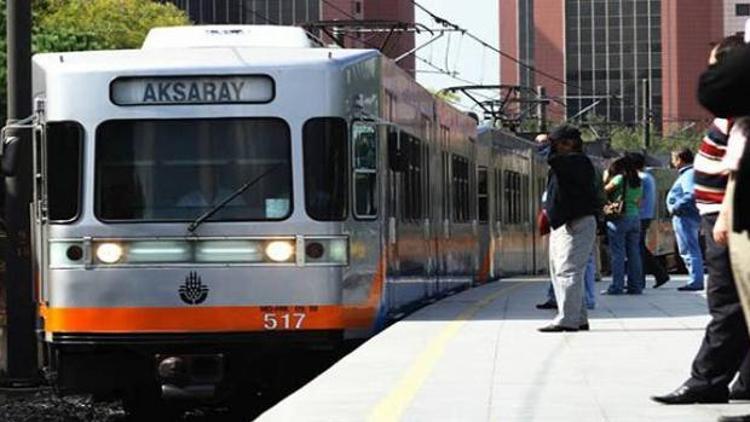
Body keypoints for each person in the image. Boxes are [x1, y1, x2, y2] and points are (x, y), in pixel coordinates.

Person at [653, 36, 750, 407]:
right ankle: (744, 381)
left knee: (727, 303)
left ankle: (707, 380)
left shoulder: (739, 112)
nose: (712, 74)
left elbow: (738, 169)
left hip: (726, 220)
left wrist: (726, 213)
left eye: (716, 65)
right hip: (720, 217)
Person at [537, 125, 599, 332]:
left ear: (570, 143)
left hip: (576, 223)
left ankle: (567, 319)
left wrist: (547, 146)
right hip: (566, 223)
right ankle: (578, 317)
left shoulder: (577, 162)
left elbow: (552, 159)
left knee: (568, 271)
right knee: (561, 270)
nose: (555, 147)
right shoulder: (569, 163)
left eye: (557, 143)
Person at [601, 156, 643, 295]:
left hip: (619, 218)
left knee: (617, 253)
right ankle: (635, 286)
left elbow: (602, 192)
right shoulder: (638, 181)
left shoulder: (619, 179)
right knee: (634, 253)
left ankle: (616, 286)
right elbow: (638, 201)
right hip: (635, 218)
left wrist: (606, 177)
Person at [628, 152, 670, 288]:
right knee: (640, 247)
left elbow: (637, 197)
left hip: (640, 215)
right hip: (646, 215)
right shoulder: (648, 176)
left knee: (637, 247)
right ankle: (657, 274)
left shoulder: (641, 177)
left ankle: (652, 275)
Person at [666, 148, 704, 291]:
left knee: (688, 249)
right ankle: (695, 279)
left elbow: (692, 193)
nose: (672, 162)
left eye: (673, 159)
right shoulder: (689, 173)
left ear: (680, 160)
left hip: (685, 216)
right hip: (688, 215)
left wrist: (675, 206)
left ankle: (695, 281)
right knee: (689, 248)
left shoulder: (688, 175)